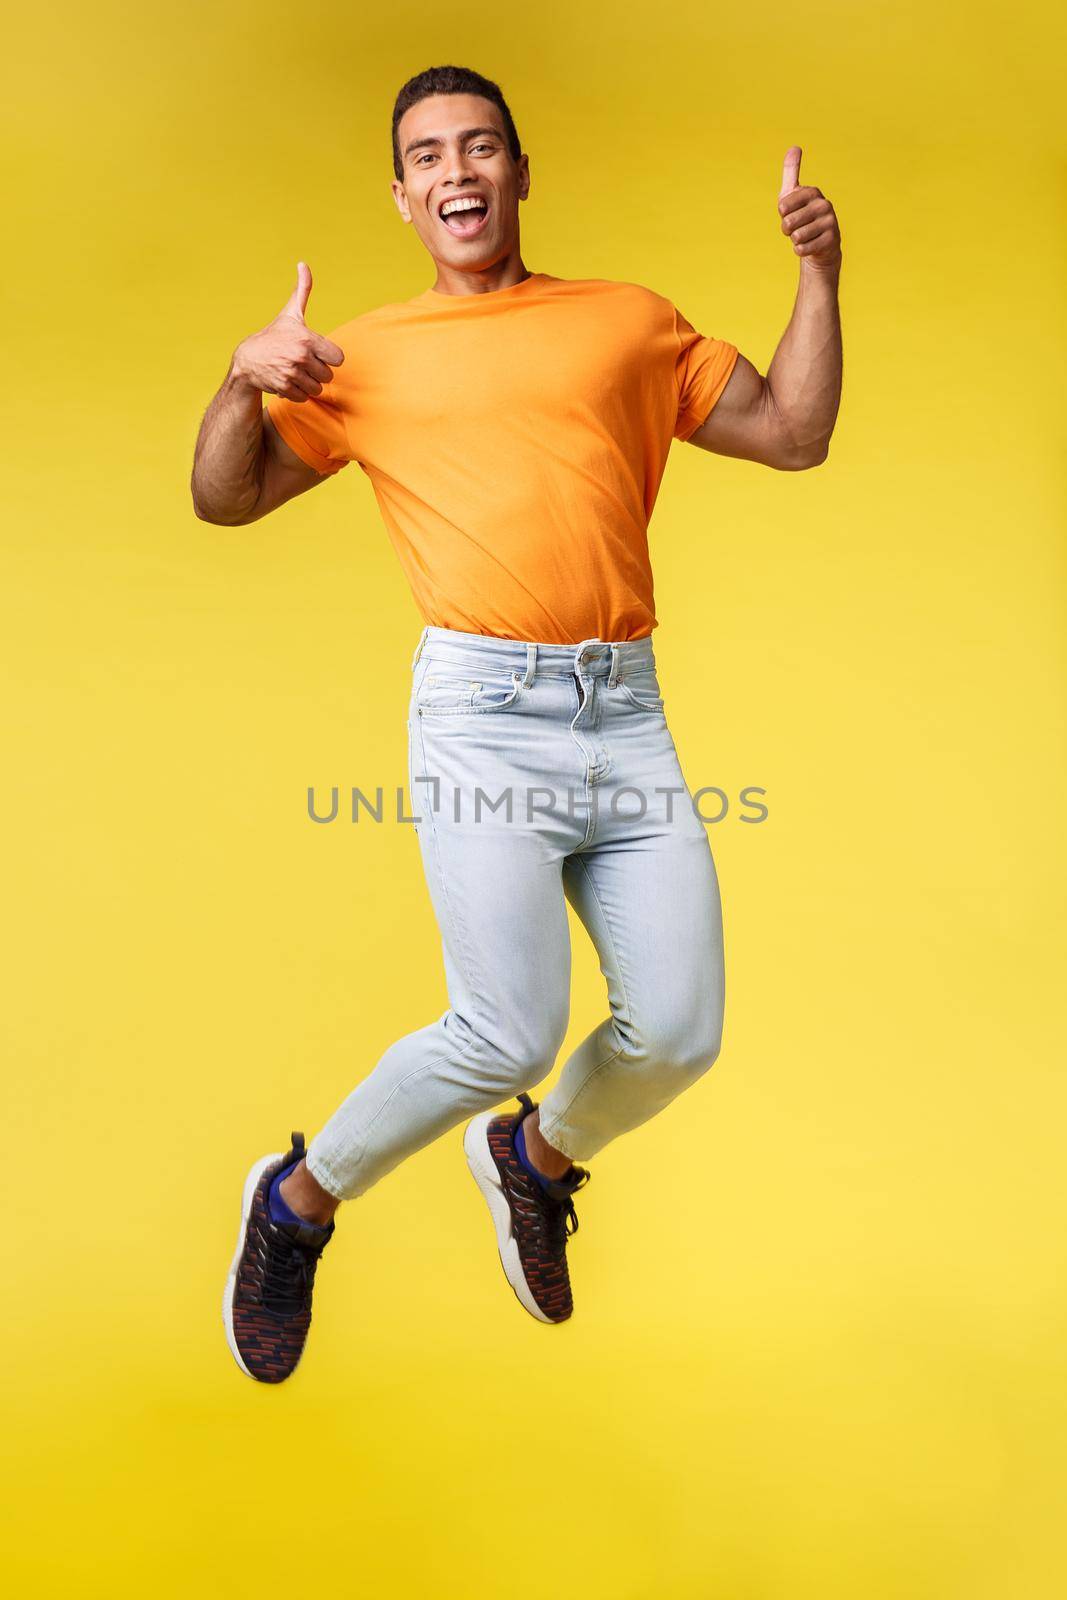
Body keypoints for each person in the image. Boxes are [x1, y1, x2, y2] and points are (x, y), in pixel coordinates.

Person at [192, 63, 842, 1384]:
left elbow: (793, 432)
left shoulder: (624, 320)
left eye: (480, 147)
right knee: (505, 1031)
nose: (458, 173)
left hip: (626, 713)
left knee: (681, 1029)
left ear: (520, 171)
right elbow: (227, 498)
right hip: (483, 721)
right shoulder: (360, 357)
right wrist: (238, 379)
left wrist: (821, 273)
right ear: (402, 196)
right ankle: (298, 1203)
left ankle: (535, 1161)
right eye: (429, 157)